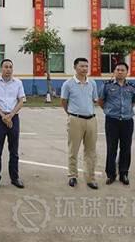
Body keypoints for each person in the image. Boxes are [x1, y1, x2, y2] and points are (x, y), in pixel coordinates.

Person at [61, 57, 99, 189]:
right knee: (73, 149)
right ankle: (72, 176)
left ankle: (90, 178)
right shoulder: (68, 84)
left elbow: (94, 99)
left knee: (91, 151)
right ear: (75, 67)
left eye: (86, 66)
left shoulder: (92, 83)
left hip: (91, 120)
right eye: (81, 66)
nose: (84, 69)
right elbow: (64, 101)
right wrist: (71, 114)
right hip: (75, 119)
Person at [0, 59, 25, 189]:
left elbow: (21, 101)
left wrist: (11, 115)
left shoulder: (18, 83)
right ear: (1, 68)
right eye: (5, 67)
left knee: (14, 151)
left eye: (10, 67)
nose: (8, 69)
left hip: (14, 118)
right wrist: (3, 116)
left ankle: (15, 178)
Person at [99, 62, 135, 186]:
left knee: (126, 148)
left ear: (127, 72)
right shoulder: (107, 86)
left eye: (122, 70)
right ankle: (111, 174)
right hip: (112, 121)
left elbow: (132, 102)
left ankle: (124, 173)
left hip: (127, 121)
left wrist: (126, 112)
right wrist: (108, 111)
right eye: (118, 69)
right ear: (114, 71)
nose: (120, 72)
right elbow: (101, 100)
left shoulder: (131, 87)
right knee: (111, 148)